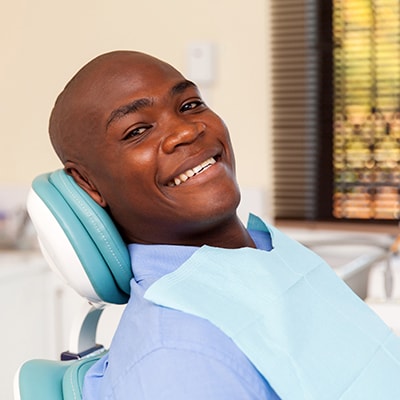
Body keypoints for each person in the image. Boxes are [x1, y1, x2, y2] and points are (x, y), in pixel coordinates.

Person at [48, 50, 400, 400]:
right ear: (88, 184)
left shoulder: (268, 252)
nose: (185, 131)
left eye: (189, 105)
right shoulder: (176, 356)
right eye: (137, 131)